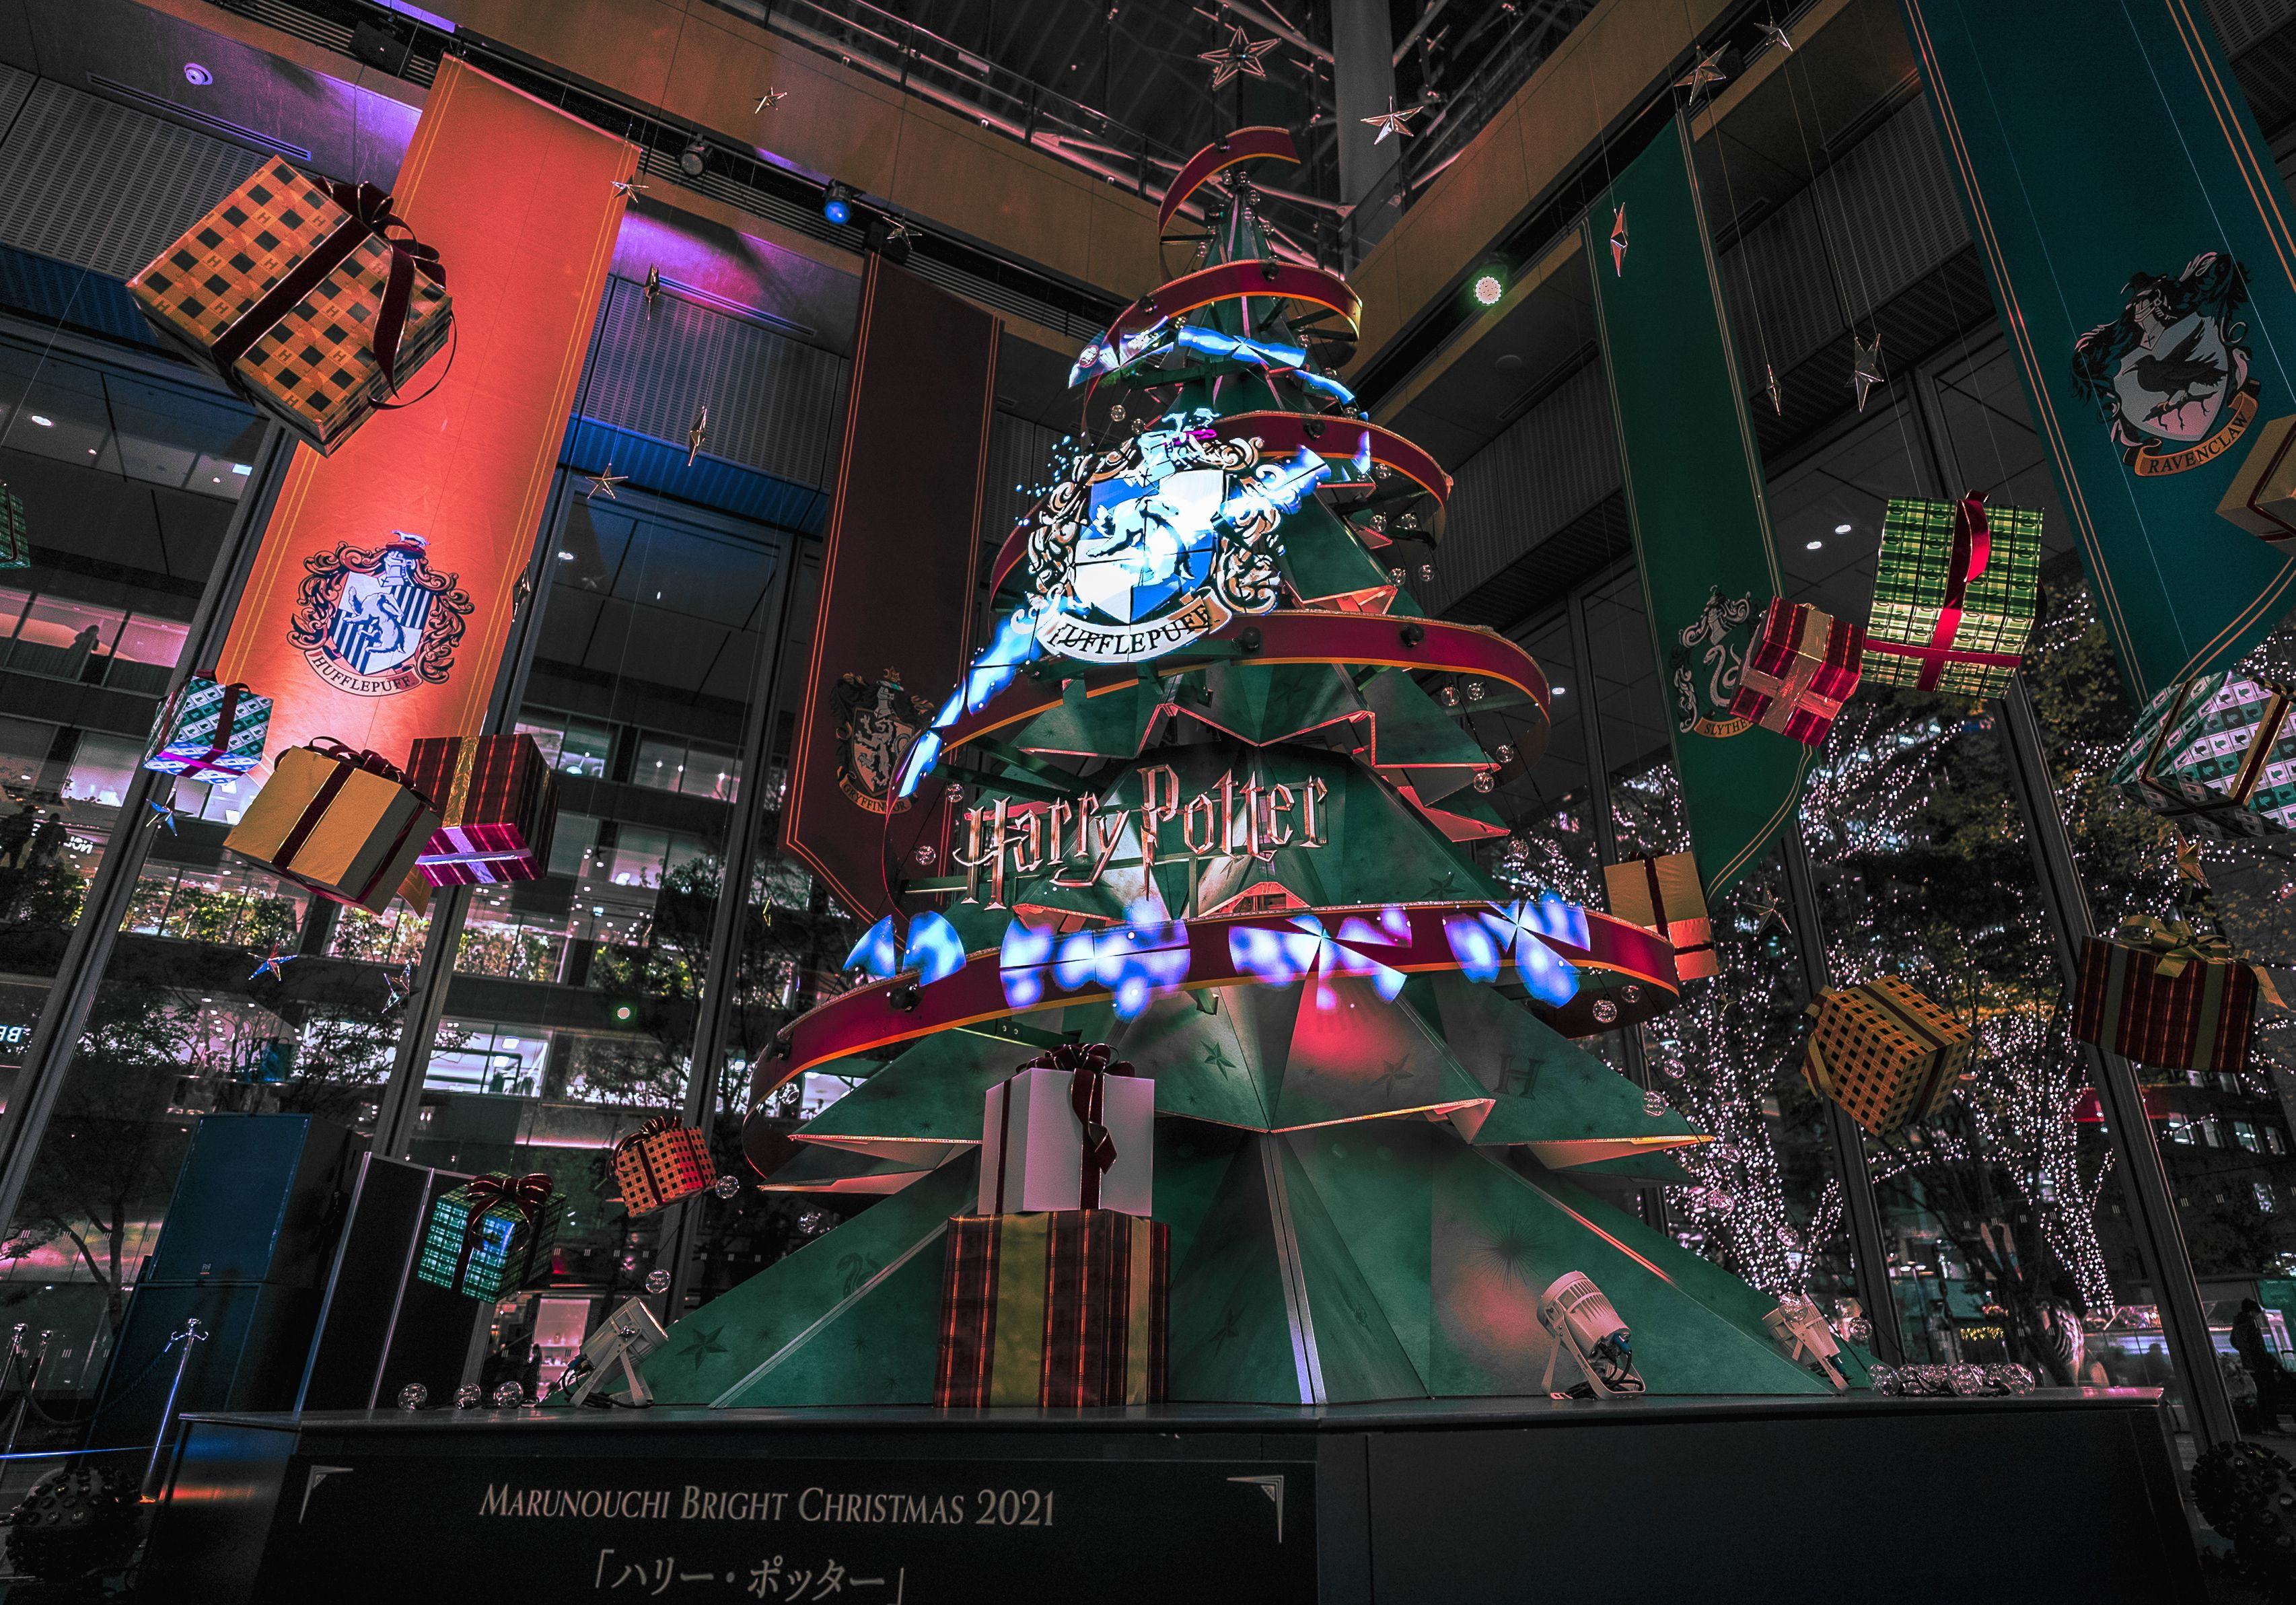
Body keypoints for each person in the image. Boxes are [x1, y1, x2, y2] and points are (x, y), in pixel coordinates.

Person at [2233, 1298, 2287, 1431]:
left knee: (2262, 1393)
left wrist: (2244, 1354)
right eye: (2257, 1313)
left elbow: (2234, 1341)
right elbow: (2257, 1347)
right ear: (2252, 1312)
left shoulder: (2237, 1324)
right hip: (2260, 1364)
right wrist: (2270, 1360)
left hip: (2250, 1365)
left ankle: (2264, 1423)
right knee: (2269, 1392)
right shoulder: (2250, 1324)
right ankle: (2271, 1422)